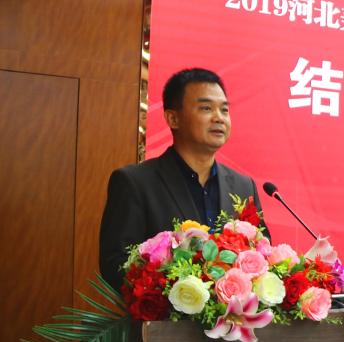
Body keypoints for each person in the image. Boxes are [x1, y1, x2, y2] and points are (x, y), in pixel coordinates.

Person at [99, 68, 264, 289]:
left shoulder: (244, 187)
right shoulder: (135, 183)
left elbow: (262, 255)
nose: (219, 118)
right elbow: (115, 265)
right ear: (173, 118)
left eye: (224, 110)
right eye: (206, 108)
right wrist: (176, 292)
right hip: (167, 310)